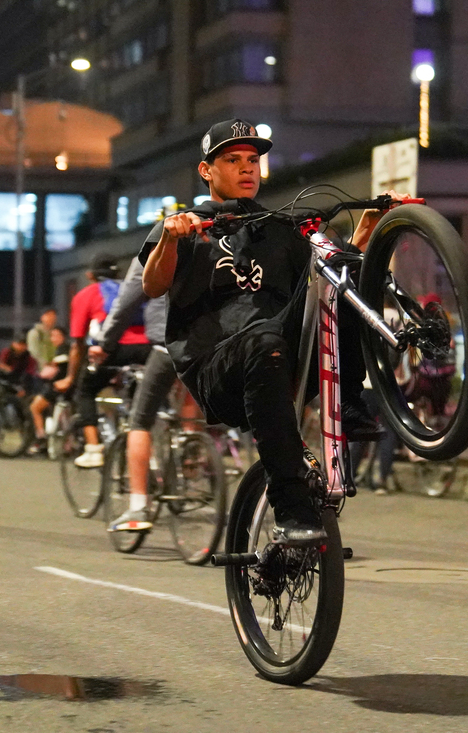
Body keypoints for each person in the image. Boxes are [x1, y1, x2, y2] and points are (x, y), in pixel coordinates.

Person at [141, 119, 389, 544]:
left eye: (253, 160)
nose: (247, 168)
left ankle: (349, 398)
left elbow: (331, 268)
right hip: (217, 369)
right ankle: (290, 508)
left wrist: (370, 227)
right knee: (265, 339)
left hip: (278, 356)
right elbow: (153, 285)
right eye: (233, 160)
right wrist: (169, 239)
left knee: (342, 275)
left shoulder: (280, 226)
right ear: (207, 171)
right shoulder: (187, 224)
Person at [94, 252, 172, 532]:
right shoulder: (231, 238)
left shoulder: (157, 246)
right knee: (192, 404)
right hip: (216, 346)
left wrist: (104, 343)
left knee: (140, 420)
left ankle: (138, 507)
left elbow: (126, 302)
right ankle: (193, 458)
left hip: (168, 345)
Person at [59, 256, 152, 469]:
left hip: (112, 350)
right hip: (147, 350)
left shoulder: (87, 295)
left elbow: (78, 344)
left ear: (90, 275)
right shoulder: (134, 288)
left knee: (86, 389)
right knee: (142, 403)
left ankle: (93, 450)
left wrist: (70, 377)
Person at [28, 326, 69, 452]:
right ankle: (65, 444)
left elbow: (56, 368)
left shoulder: (64, 349)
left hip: (58, 387)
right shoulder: (59, 350)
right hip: (62, 387)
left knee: (34, 407)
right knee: (63, 417)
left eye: (56, 335)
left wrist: (48, 368)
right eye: (52, 336)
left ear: (63, 337)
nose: (53, 338)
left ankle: (41, 438)